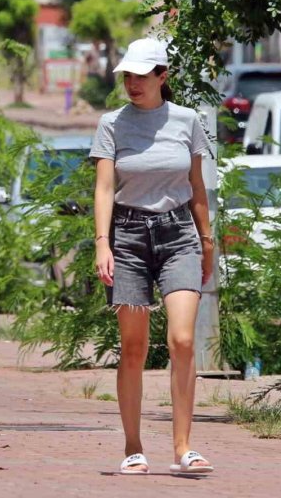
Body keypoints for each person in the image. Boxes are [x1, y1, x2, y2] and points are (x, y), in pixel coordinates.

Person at [89, 37, 215, 475]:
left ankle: (183, 447)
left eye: (141, 75)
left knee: (182, 340)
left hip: (179, 233)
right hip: (127, 237)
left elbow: (196, 186)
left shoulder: (187, 120)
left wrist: (208, 240)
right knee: (134, 347)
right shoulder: (112, 124)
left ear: (163, 76)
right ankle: (133, 446)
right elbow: (104, 187)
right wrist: (102, 242)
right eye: (127, 76)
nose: (132, 84)